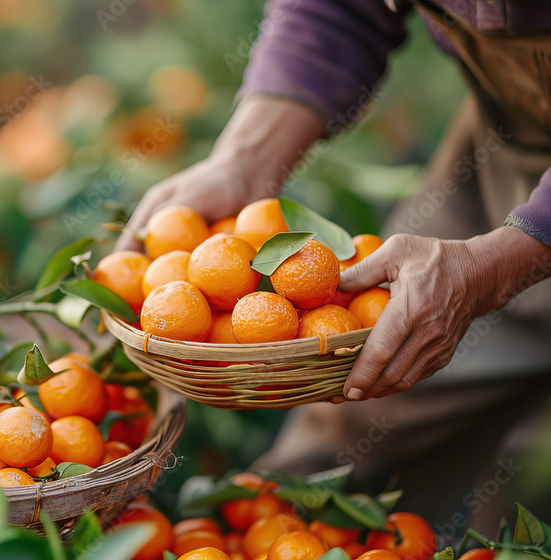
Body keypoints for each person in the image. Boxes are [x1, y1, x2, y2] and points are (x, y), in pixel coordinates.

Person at [117, 0, 551, 541]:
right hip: (511, 137)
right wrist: (246, 158)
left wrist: (522, 247)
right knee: (369, 395)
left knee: (525, 484)